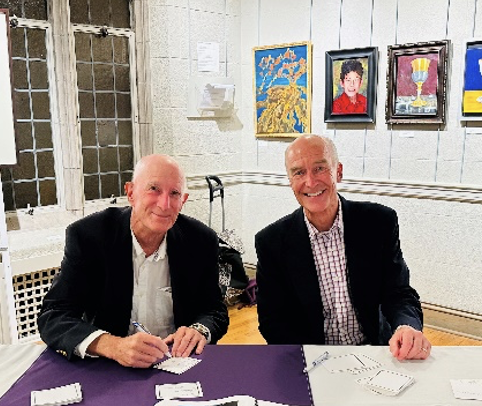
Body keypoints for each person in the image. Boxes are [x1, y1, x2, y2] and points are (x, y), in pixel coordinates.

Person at [38, 154, 229, 368]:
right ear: (130, 193)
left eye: (174, 193)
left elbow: (214, 310)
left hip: (177, 363)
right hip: (109, 364)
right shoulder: (89, 236)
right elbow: (53, 316)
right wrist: (112, 345)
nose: (164, 204)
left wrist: (199, 329)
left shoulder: (201, 240)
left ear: (183, 201)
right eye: (154, 189)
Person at [254, 134, 431, 360]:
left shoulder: (378, 223)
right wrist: (311, 363)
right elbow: (272, 320)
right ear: (290, 181)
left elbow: (398, 293)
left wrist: (406, 326)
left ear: (338, 171)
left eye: (319, 168)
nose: (310, 182)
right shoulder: (271, 242)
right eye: (299, 172)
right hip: (312, 360)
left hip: (375, 353)